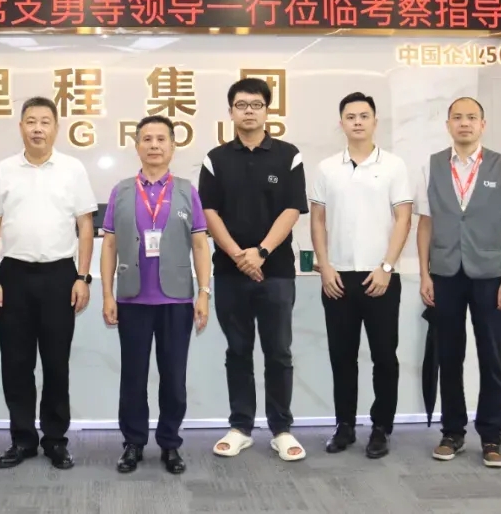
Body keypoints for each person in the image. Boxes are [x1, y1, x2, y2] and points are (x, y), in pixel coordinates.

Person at [0, 96, 97, 470]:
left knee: (56, 363)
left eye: (45, 122)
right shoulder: (3, 170)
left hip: (60, 276)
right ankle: (22, 439)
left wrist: (82, 276)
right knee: (16, 363)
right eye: (31, 121)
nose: (37, 129)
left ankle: (55, 440)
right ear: (20, 127)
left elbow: (85, 225)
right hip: (12, 276)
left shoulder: (72, 169)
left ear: (56, 128)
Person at [199, 77, 309, 462]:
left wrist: (260, 252)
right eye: (242, 105)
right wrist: (238, 256)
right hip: (230, 274)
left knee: (278, 352)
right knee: (238, 351)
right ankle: (240, 427)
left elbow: (292, 209)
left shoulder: (288, 155)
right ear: (230, 112)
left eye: (256, 105)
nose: (249, 111)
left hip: (276, 272)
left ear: (267, 110)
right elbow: (208, 212)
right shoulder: (215, 158)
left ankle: (281, 429)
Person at [100, 115, 211, 475]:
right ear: (137, 146)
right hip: (132, 299)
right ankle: (133, 443)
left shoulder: (186, 190)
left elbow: (200, 244)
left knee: (173, 378)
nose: (154, 145)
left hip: (176, 300)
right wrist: (107, 294)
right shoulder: (121, 191)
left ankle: (170, 444)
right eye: (147, 139)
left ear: (172, 146)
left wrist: (204, 293)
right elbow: (110, 244)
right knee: (133, 378)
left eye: (161, 139)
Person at [416, 96, 501, 469]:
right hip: (445, 274)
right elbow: (425, 223)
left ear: (483, 124)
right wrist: (425, 274)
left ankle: (492, 436)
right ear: (448, 124)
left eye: (472, 117)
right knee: (449, 356)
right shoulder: (431, 166)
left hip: (490, 275)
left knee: (491, 357)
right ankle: (452, 432)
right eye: (458, 117)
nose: (464, 123)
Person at [309, 92, 412, 459]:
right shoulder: (326, 168)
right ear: (341, 123)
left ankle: (381, 427)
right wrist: (325, 266)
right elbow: (317, 221)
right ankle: (345, 425)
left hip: (380, 276)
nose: (357, 122)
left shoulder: (394, 165)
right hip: (337, 277)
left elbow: (403, 218)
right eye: (350, 116)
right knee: (342, 356)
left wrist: (386, 266)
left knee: (384, 356)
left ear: (374, 121)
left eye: (364, 116)